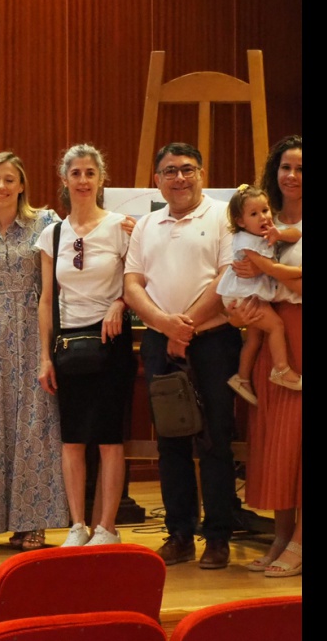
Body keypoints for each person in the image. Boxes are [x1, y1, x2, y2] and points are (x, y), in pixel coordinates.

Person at [123, 142, 242, 570]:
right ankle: (179, 534)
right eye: (170, 171)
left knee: (214, 439)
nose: (179, 178)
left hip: (213, 342)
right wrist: (165, 325)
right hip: (159, 343)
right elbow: (132, 283)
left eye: (187, 169)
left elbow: (229, 276)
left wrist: (185, 327)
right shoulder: (146, 225)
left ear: (202, 174)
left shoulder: (223, 217)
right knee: (171, 441)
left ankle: (218, 537)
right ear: (157, 179)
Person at [36, 145, 136, 548]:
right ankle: (77, 525)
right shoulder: (52, 233)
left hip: (110, 339)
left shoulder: (121, 227)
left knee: (110, 438)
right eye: (75, 173)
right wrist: (45, 356)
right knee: (72, 438)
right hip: (68, 343)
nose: (82, 180)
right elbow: (46, 299)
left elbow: (138, 281)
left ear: (100, 178)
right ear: (64, 180)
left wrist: (120, 302)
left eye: (89, 173)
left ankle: (107, 528)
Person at [0, 151, 67, 552]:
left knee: (36, 423)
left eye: (9, 179)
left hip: (36, 324)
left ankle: (36, 521)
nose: (1, 187)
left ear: (22, 184)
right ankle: (1, 517)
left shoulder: (45, 222)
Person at [230, 134, 303, 578]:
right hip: (272, 336)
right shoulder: (261, 220)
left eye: (301, 169)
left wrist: (266, 268)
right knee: (276, 441)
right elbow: (240, 272)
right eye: (286, 167)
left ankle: (300, 540)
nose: (292, 176)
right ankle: (281, 534)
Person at [216, 183, 302, 405]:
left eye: (265, 210)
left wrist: (279, 233)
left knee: (254, 337)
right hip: (242, 295)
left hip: (250, 292)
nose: (263, 217)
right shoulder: (247, 241)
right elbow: (273, 270)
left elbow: (296, 234)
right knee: (275, 326)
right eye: (254, 214)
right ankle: (281, 369)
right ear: (241, 221)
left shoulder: (264, 233)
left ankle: (242, 378)